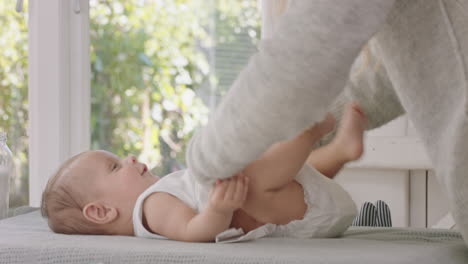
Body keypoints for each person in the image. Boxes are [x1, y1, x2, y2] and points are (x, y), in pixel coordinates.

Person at [186, 0, 468, 246]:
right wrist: (317, 126)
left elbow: (296, 65)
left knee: (258, 186)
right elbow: (395, 77)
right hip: (305, 194)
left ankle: (330, 146)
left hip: (297, 198)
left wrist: (202, 162)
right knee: (284, 177)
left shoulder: (156, 202)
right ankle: (335, 148)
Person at [41, 103, 366, 243]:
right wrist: (220, 209)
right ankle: (309, 131)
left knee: (278, 174)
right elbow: (194, 231)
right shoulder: (150, 208)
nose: (128, 158)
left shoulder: (163, 193)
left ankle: (340, 151)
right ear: (101, 211)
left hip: (300, 203)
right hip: (288, 214)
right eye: (114, 166)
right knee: (251, 180)